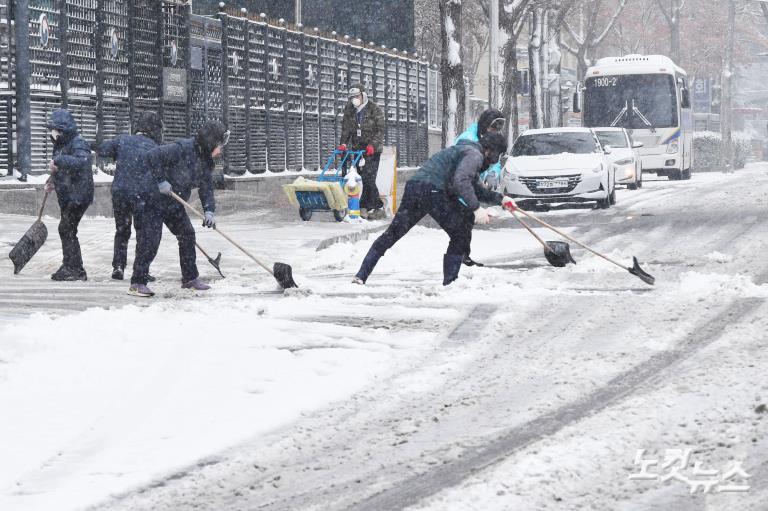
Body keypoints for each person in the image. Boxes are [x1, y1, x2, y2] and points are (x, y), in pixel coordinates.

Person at [353, 132, 514, 286]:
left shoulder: (464, 150)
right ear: (490, 151)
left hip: (415, 188)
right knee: (460, 230)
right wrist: (476, 208)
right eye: (497, 155)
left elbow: (475, 189)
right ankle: (450, 282)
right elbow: (462, 181)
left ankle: (361, 275)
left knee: (393, 233)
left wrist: (501, 199)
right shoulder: (474, 155)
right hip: (433, 191)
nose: (495, 161)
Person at [142, 120, 228, 294]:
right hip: (154, 199)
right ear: (210, 142)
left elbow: (206, 187)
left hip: (174, 202)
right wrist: (161, 180)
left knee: (187, 234)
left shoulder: (206, 161)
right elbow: (152, 156)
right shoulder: (182, 148)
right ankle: (137, 282)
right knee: (151, 240)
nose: (221, 149)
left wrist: (209, 211)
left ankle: (190, 278)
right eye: (219, 145)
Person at [97, 111, 163, 283]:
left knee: (122, 229)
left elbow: (102, 149)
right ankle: (141, 270)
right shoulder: (155, 148)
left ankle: (118, 266)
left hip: (120, 193)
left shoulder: (122, 140)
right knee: (143, 233)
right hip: (142, 195)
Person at [44, 109, 94, 281]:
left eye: (54, 129)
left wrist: (59, 161)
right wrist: (52, 180)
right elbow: (62, 170)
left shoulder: (78, 143)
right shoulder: (61, 145)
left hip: (78, 194)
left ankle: (74, 269)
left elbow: (83, 162)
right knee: (67, 229)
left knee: (66, 228)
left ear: (62, 129)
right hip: (69, 194)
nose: (52, 133)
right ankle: (72, 266)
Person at [453, 109, 507, 267]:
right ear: (484, 126)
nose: (494, 132)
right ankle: (459, 258)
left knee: (466, 221)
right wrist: (475, 180)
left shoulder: (491, 140)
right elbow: (461, 169)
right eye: (492, 128)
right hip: (463, 184)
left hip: (475, 182)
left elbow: (494, 161)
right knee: (462, 220)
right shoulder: (467, 139)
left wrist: (492, 175)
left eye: (497, 130)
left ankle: (463, 256)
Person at [338, 83, 386, 220]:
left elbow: (380, 129)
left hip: (372, 150)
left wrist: (373, 144)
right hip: (357, 149)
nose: (354, 99)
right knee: (361, 177)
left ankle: (374, 207)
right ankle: (370, 206)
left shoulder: (373, 109)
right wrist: (343, 143)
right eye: (352, 97)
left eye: (356, 96)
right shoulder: (349, 109)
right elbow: (346, 128)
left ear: (363, 95)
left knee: (368, 177)